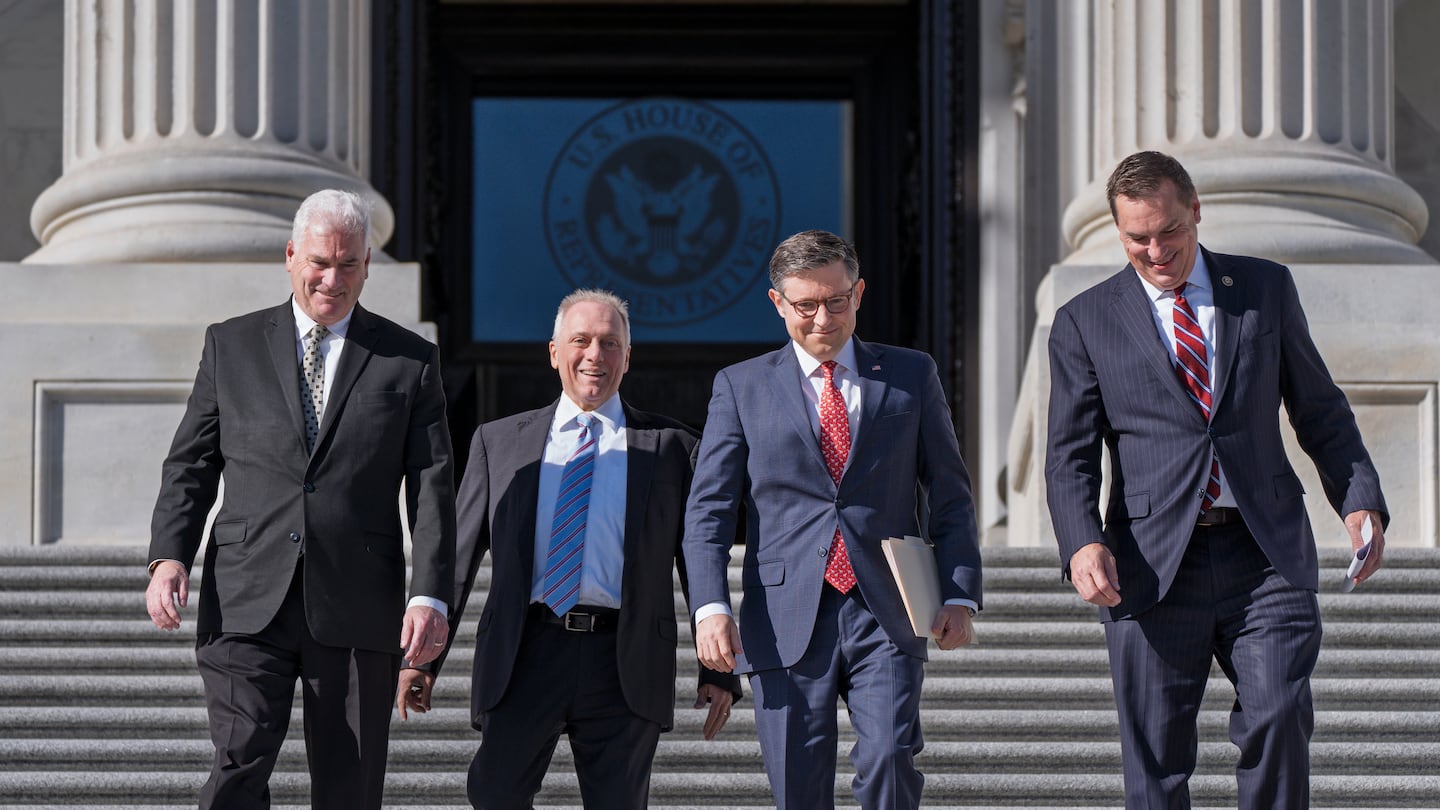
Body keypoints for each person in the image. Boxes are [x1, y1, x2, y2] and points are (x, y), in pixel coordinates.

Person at [1044, 150, 1389, 809]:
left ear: (1196, 211)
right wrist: (1081, 541)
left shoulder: (1263, 290)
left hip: (1264, 555)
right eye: (1137, 237)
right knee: (1157, 763)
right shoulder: (1085, 321)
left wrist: (1359, 499)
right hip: (1149, 566)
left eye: (1168, 230)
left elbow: (1318, 409)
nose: (1155, 250)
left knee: (1280, 716)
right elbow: (1070, 455)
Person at [144, 189, 456, 810]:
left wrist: (429, 594)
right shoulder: (229, 346)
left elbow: (432, 486)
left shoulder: (409, 362)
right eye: (319, 262)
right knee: (238, 763)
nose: (331, 280)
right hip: (245, 595)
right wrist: (169, 556)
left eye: (348, 265)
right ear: (291, 257)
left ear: (368, 266)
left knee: (350, 784)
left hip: (357, 601)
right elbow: (192, 463)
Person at [398, 289, 742, 809]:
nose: (594, 356)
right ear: (554, 352)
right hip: (524, 653)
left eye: (610, 343)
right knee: (493, 794)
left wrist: (718, 668)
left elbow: (700, 558)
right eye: (580, 341)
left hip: (622, 661)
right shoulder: (499, 442)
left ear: (628, 357)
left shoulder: (674, 448)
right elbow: (458, 556)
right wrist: (422, 659)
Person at [683, 230, 983, 810]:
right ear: (777, 303)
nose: (824, 318)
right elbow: (710, 512)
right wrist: (710, 609)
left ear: (860, 293)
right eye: (806, 305)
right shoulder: (740, 387)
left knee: (892, 760)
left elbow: (950, 491)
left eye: (837, 300)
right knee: (798, 784)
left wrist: (960, 592)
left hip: (888, 608)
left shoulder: (910, 375)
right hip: (783, 613)